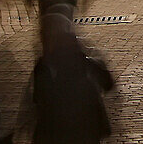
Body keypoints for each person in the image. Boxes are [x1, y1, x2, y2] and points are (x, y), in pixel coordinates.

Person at [32, 12, 114, 144]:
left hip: (58, 129)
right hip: (87, 127)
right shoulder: (84, 60)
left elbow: (37, 99)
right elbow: (108, 83)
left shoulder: (44, 66)